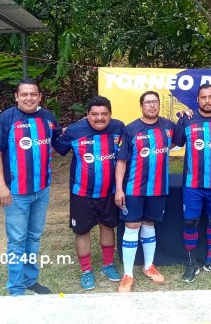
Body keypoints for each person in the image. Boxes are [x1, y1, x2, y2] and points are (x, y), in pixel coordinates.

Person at [0, 79, 61, 296]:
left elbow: (58, 140)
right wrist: (1, 185)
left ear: (40, 97)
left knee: (34, 237)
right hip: (16, 193)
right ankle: (16, 288)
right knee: (17, 240)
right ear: (16, 97)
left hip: (41, 190)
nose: (29, 98)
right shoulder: (6, 118)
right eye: (24, 94)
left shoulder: (47, 118)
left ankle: (30, 280)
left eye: (33, 94)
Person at [52, 95, 124, 290]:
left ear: (110, 114)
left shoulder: (119, 128)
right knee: (81, 231)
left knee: (108, 227)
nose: (99, 118)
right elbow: (58, 147)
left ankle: (107, 265)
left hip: (109, 192)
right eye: (94, 114)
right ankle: (86, 270)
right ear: (87, 115)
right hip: (81, 193)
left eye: (104, 114)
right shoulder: (76, 130)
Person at [114, 91, 175, 293]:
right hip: (133, 188)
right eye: (148, 102)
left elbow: (177, 140)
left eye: (155, 102)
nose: (151, 106)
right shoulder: (131, 129)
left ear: (159, 105)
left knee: (149, 224)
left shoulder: (167, 126)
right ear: (141, 106)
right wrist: (120, 189)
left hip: (157, 188)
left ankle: (149, 266)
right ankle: (128, 274)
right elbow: (121, 161)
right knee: (132, 226)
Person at [172, 84, 211, 282]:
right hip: (192, 184)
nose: (207, 100)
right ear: (197, 100)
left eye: (210, 97)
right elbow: (177, 142)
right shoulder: (187, 120)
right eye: (203, 97)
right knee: (190, 221)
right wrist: (179, 119)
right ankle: (191, 263)